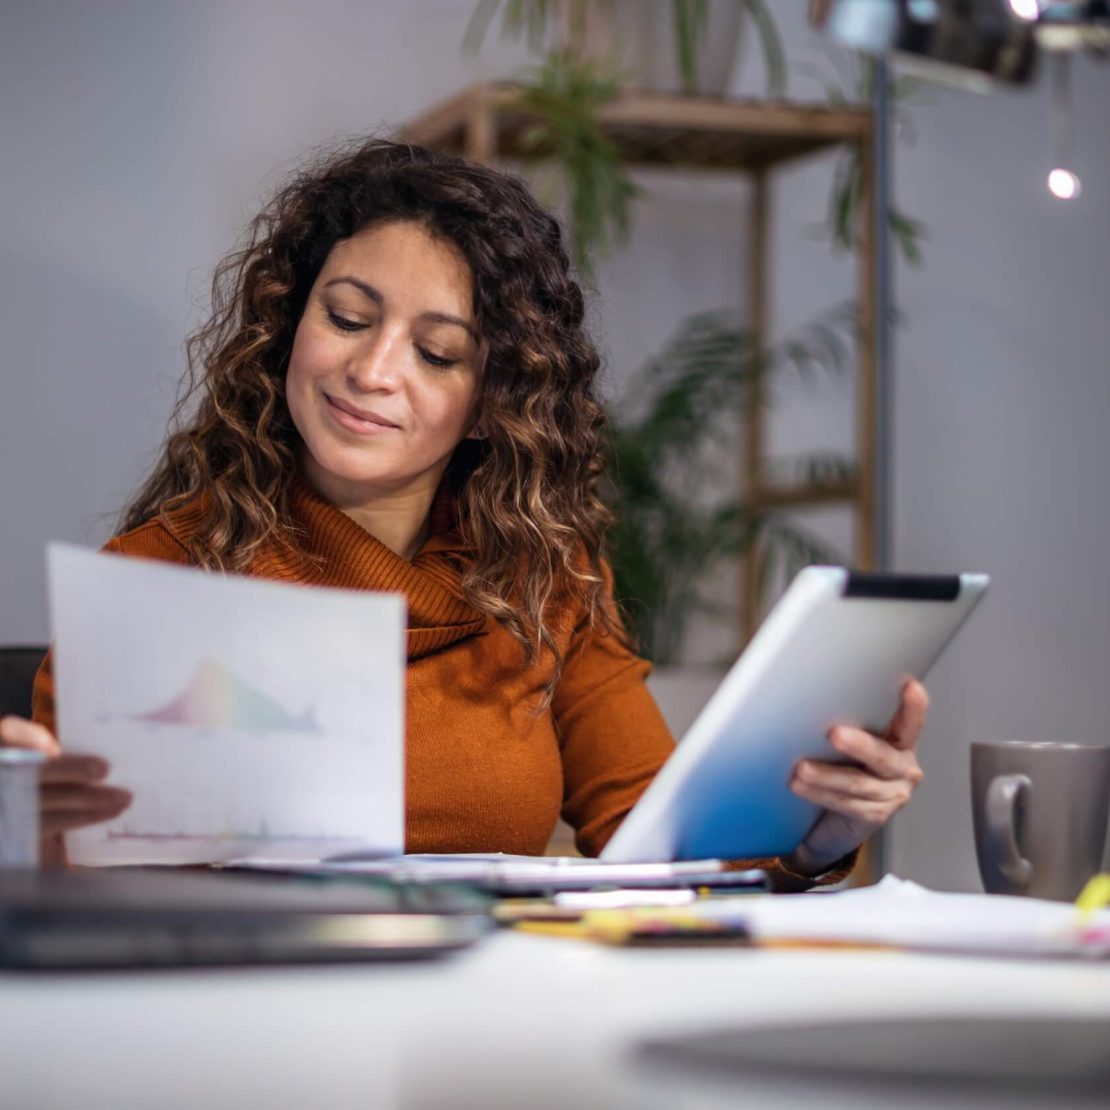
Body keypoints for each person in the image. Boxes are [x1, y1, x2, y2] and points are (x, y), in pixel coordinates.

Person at [0, 139, 927, 886]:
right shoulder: (157, 575)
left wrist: (818, 836)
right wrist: (19, 827)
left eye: (439, 354)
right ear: (289, 325)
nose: (372, 372)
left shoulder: (546, 585)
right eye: (349, 317)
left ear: (492, 400)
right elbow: (72, 881)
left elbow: (663, 844)